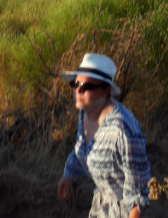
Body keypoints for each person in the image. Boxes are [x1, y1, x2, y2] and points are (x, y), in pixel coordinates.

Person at [57, 54, 150, 218]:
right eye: (75, 83)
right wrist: (68, 175)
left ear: (105, 90)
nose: (78, 90)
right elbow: (81, 150)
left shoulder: (123, 130)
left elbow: (139, 192)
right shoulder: (85, 112)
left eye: (87, 86)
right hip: (101, 206)